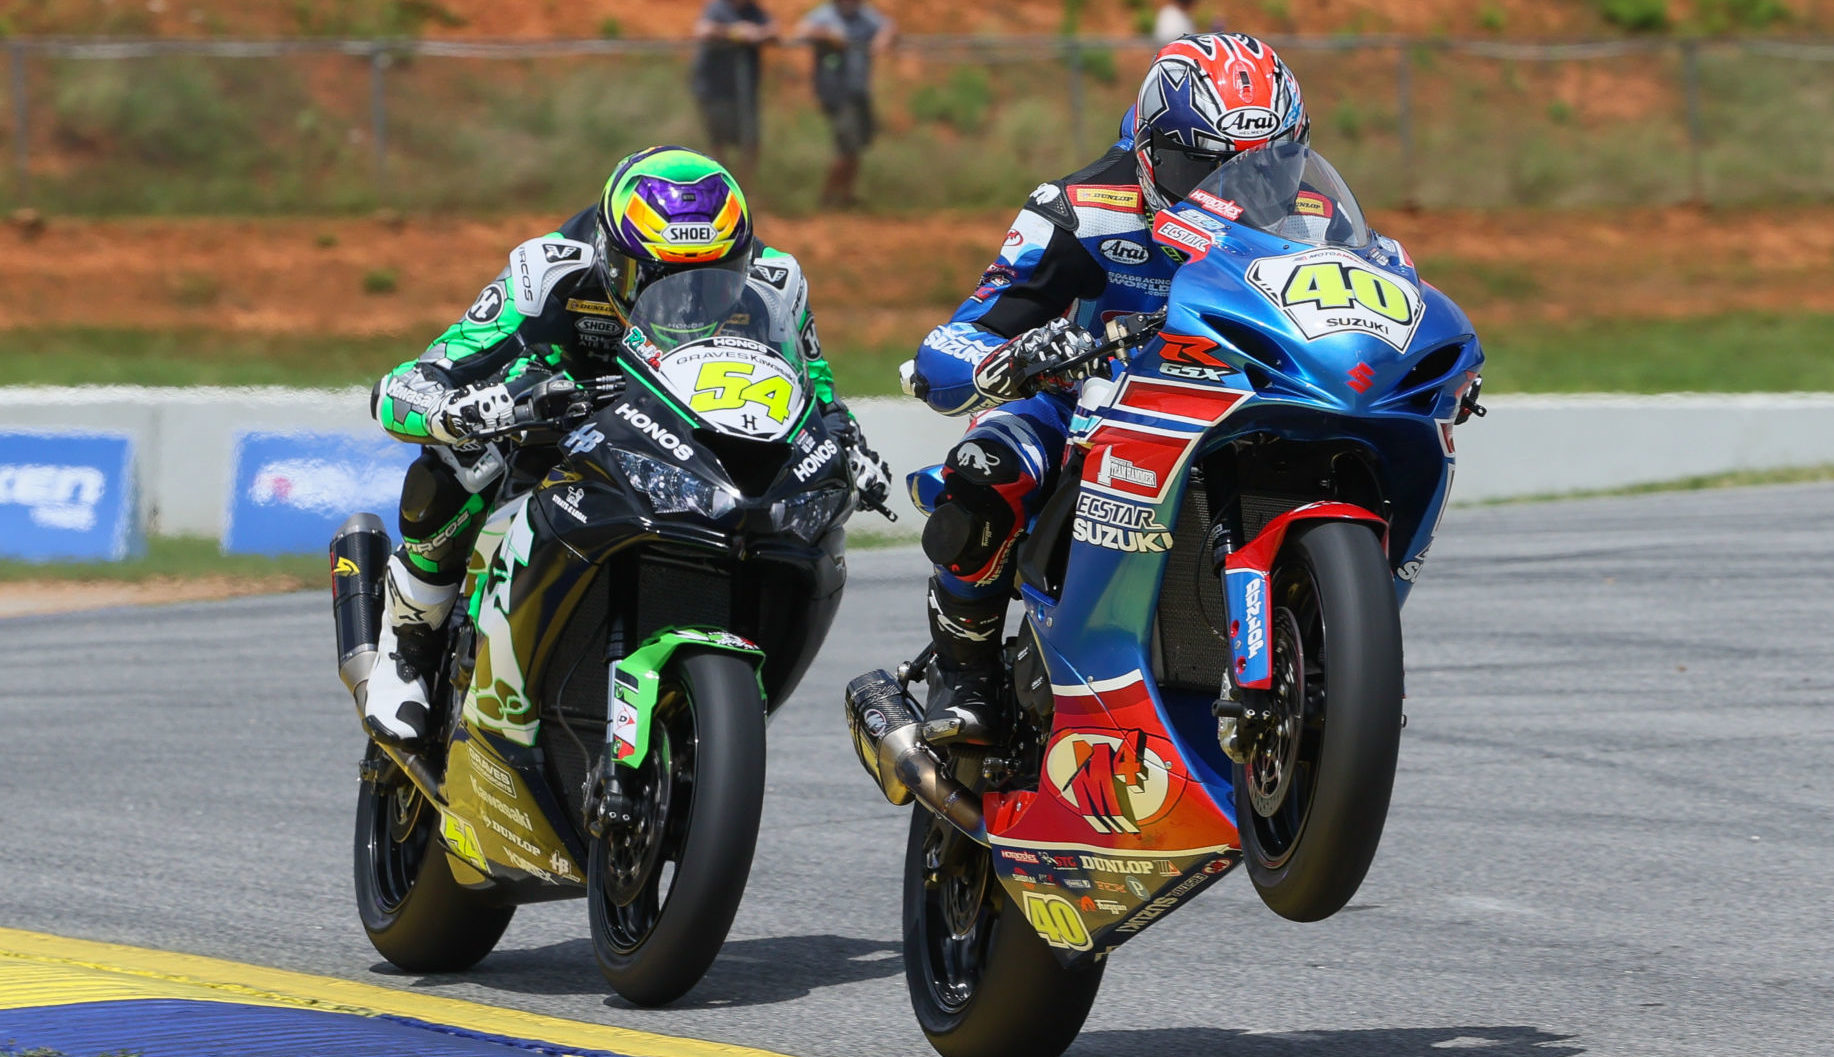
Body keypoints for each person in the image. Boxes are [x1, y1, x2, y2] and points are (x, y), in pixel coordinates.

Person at [362, 146, 888, 745]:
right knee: (467, 459)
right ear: (613, 257)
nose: (690, 303)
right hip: (553, 444)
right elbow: (417, 379)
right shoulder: (550, 273)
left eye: (714, 278)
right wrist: (460, 409)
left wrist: (847, 444)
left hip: (687, 454)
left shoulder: (776, 282)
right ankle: (409, 641)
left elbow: (815, 387)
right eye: (660, 280)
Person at [903, 34, 1312, 743]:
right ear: (1149, 150)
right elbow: (969, 327)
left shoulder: (1314, 221)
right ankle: (964, 678)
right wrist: (1004, 358)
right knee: (986, 467)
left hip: (1241, 407)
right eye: (1200, 169)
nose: (1229, 197)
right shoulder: (1079, 208)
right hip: (1087, 407)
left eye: (1259, 171)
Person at [797, 0, 895, 209]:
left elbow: (888, 26)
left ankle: (845, 196)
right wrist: (828, 35)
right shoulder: (825, 15)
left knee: (857, 146)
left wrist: (882, 39)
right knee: (846, 146)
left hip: (859, 92)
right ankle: (828, 197)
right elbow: (802, 31)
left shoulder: (864, 15)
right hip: (835, 94)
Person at [691, 1, 776, 182]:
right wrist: (734, 32)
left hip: (744, 91)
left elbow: (774, 31)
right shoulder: (717, 7)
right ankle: (718, 187)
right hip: (714, 90)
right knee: (717, 143)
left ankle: (744, 189)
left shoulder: (753, 10)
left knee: (751, 143)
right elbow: (703, 30)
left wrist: (758, 34)